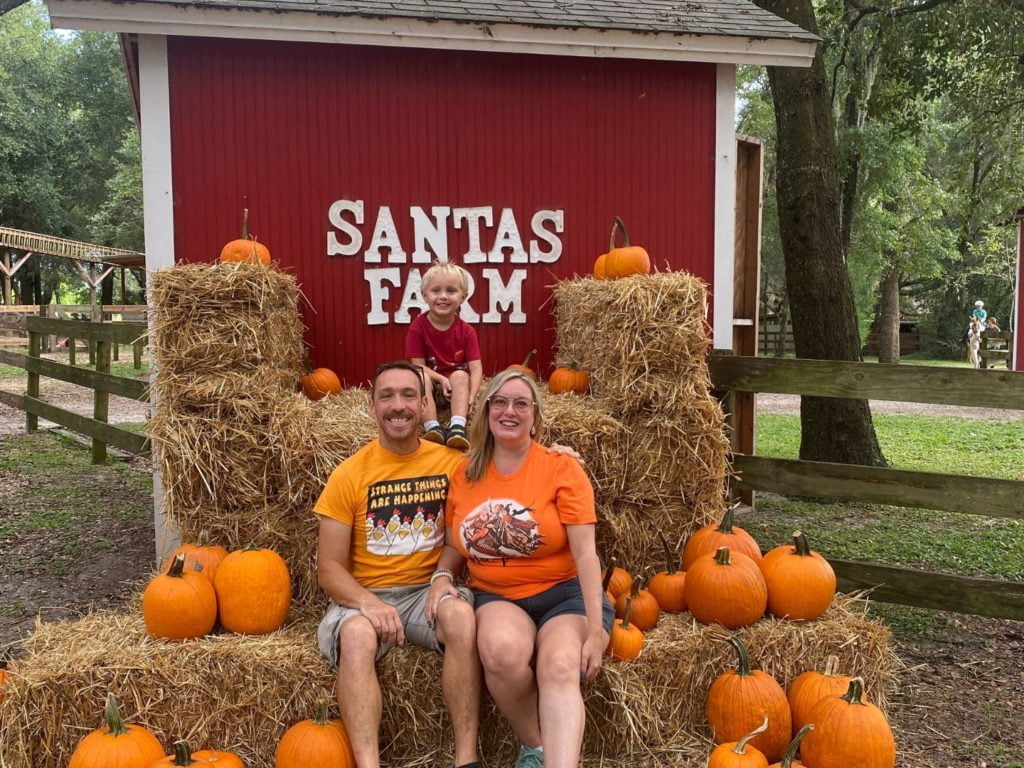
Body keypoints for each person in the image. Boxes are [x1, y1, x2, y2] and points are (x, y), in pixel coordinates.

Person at [429, 370, 614, 768]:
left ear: (535, 417)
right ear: (486, 411)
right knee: (500, 652)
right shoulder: (464, 474)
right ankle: (536, 746)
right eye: (500, 402)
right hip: (496, 595)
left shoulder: (562, 468)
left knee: (561, 664)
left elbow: (586, 555)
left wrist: (596, 631)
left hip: (565, 595)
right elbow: (452, 545)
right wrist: (441, 577)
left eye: (521, 404)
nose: (509, 411)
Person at [315, 361, 481, 768]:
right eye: (386, 396)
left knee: (461, 617)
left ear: (425, 404)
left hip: (425, 594)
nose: (398, 405)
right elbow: (329, 569)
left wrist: (444, 575)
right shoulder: (349, 474)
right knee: (356, 637)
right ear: (372, 406)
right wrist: (369, 604)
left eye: (409, 395)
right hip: (365, 599)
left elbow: (462, 534)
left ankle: (466, 759)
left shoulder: (450, 464)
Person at [406, 262, 483, 450]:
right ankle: (433, 428)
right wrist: (440, 378)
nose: (443, 297)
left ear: (463, 297)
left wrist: (472, 396)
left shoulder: (467, 331)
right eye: (435, 291)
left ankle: (457, 427)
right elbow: (417, 365)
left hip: (456, 388)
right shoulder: (418, 327)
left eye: (451, 291)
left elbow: (476, 367)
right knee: (420, 376)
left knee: (461, 375)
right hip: (431, 384)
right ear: (425, 296)